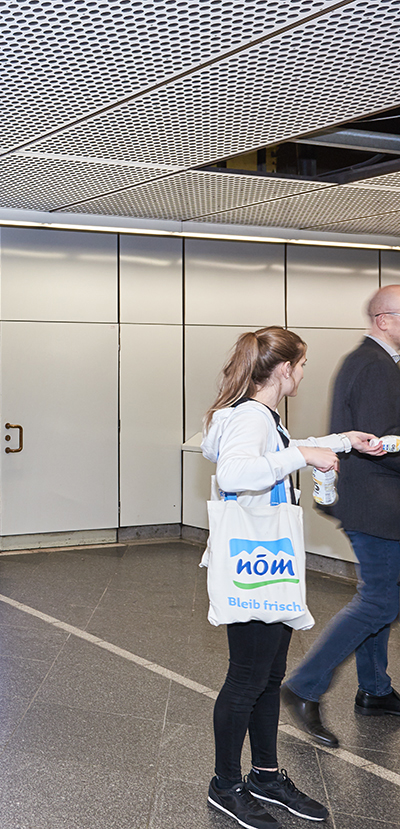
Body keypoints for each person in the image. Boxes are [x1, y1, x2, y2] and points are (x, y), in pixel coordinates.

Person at [200, 326, 382, 829]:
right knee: (246, 678)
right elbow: (236, 472)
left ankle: (264, 775)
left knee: (267, 676)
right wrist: (303, 456)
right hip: (254, 564)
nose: (303, 374)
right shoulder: (250, 417)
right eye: (301, 366)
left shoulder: (261, 416)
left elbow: (278, 448)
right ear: (283, 369)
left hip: (266, 561)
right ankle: (225, 785)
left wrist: (341, 442)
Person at [284, 285, 400, 747]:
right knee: (380, 602)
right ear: (383, 320)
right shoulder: (374, 366)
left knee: (384, 595)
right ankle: (303, 686)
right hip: (377, 503)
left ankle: (375, 690)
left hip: (373, 501)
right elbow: (379, 443)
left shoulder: (372, 361)